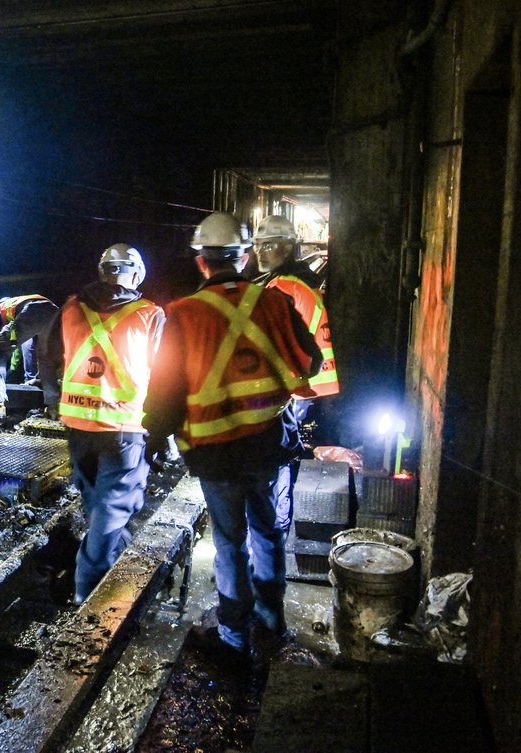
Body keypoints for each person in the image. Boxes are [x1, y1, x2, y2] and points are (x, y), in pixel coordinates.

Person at [142, 212, 321, 658]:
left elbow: (165, 393)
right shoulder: (274, 302)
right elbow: (311, 361)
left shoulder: (181, 314)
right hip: (267, 445)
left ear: (201, 262)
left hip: (215, 452)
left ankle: (235, 634)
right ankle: (272, 619)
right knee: (269, 531)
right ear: (242, 258)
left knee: (229, 541)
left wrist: (153, 439)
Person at [43, 244, 164, 604]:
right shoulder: (149, 315)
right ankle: (88, 591)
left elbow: (48, 357)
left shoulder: (70, 307)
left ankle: (112, 557)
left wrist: (53, 400)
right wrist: (163, 429)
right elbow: (164, 375)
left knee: (98, 502)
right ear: (136, 274)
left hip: (77, 427)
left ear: (102, 272)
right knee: (114, 506)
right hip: (124, 429)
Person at [250, 214, 340, 509]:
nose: (259, 252)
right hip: (310, 384)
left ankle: (276, 516)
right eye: (257, 245)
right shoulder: (300, 281)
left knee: (277, 461)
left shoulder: (284, 288)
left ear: (287, 248)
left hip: (295, 387)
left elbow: (272, 344)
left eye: (267, 246)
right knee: (287, 453)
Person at [0, 294, 59, 417]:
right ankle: (53, 405)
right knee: (45, 357)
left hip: (33, 310)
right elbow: (32, 347)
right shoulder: (19, 303)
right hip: (56, 314)